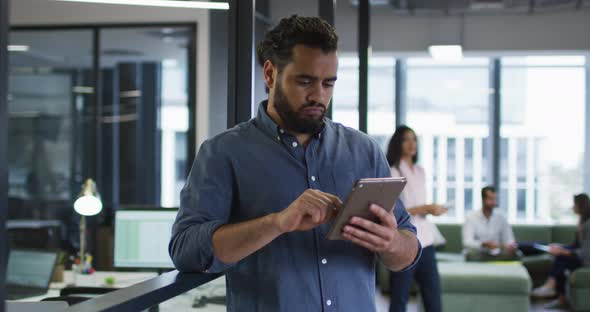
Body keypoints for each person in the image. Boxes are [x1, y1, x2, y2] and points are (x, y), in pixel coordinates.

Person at [168, 15, 421, 312]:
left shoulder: (364, 150)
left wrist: (390, 242)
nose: (319, 95)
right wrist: (277, 223)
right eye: (305, 81)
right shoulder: (224, 152)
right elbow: (186, 251)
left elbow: (407, 251)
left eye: (328, 84)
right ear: (270, 74)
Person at [386, 125, 446, 312]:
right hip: (404, 240)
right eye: (406, 139)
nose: (412, 144)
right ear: (398, 143)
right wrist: (425, 208)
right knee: (399, 298)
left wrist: (431, 209)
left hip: (426, 241)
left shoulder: (420, 171)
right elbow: (393, 211)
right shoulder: (392, 172)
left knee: (433, 298)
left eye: (414, 139)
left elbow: (418, 205)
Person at [531, 193, 590, 310]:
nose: (572, 207)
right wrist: (561, 247)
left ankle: (552, 287)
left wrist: (563, 252)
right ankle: (559, 296)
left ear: (580, 205)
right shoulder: (582, 222)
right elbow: (576, 245)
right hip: (581, 255)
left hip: (587, 259)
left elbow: (586, 252)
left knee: (561, 258)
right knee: (560, 257)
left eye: (574, 204)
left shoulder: (588, 225)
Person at [462, 186, 519, 261]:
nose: (494, 202)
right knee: (472, 256)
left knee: (517, 255)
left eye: (495, 199)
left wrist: (510, 246)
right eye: (490, 199)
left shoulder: (501, 217)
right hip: (477, 254)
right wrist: (483, 244)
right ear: (483, 200)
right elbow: (467, 242)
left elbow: (509, 239)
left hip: (497, 254)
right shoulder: (471, 217)